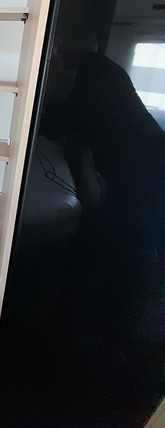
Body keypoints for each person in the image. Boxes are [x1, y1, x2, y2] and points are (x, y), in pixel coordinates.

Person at [41, 26, 165, 359]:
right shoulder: (104, 71)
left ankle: (118, 336)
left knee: (129, 252)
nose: (59, 55)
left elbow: (66, 122)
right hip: (147, 171)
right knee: (134, 248)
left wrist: (41, 108)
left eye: (62, 48)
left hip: (144, 177)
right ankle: (121, 330)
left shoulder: (94, 71)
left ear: (76, 49)